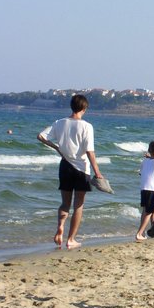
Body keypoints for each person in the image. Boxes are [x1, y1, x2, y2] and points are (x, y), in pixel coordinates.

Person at [37, 94, 104, 250]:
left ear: (71, 106)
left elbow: (40, 136)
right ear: (84, 108)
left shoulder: (59, 123)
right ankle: (71, 239)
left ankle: (60, 225)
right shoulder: (87, 126)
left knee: (65, 203)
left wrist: (56, 147)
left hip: (65, 166)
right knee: (78, 205)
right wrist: (98, 172)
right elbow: (90, 152)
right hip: (81, 168)